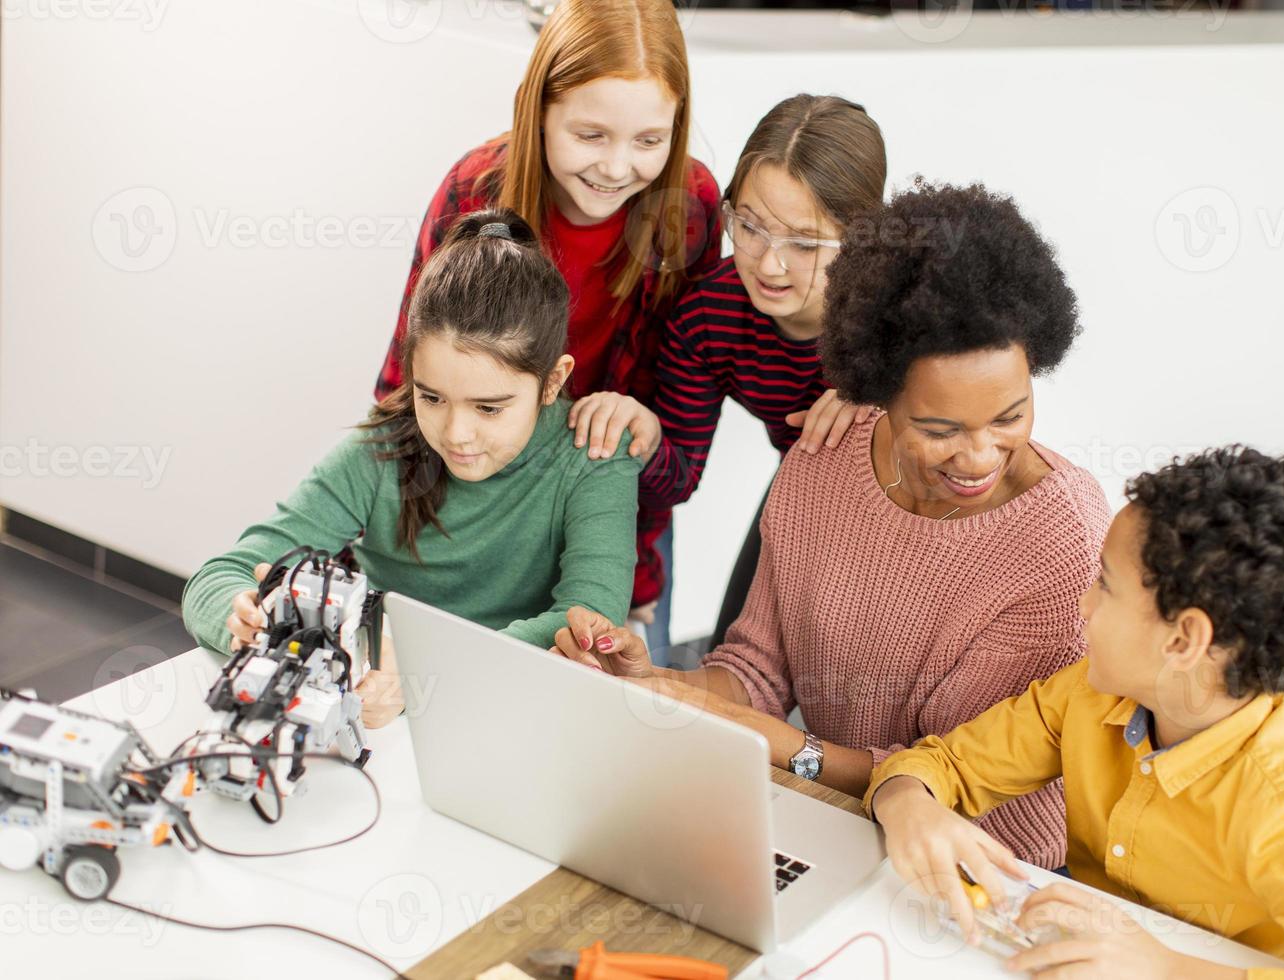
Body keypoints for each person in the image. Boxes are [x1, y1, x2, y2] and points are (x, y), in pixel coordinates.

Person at [551, 181, 1110, 871]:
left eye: (1009, 417)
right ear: (875, 390)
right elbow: (754, 673)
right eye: (939, 429)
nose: (980, 458)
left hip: (986, 863)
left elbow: (948, 781)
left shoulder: (1061, 545)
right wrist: (660, 684)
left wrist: (769, 741)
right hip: (837, 825)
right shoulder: (822, 459)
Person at [867, 447, 1284, 980]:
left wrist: (1164, 968)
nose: (1083, 603)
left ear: (1184, 639)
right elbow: (949, 765)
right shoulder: (1092, 693)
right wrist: (906, 802)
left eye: (1104, 586)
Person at [184, 210, 642, 727]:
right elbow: (216, 577)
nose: (455, 434)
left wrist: (425, 678)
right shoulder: (381, 450)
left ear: (553, 380)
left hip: (510, 713)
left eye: (489, 407)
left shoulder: (595, 456)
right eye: (432, 397)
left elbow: (586, 618)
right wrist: (241, 616)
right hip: (384, 708)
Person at [371, 0, 722, 640]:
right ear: (538, 111)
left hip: (611, 519)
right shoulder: (474, 193)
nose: (617, 168)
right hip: (473, 518)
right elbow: (405, 384)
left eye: (649, 141)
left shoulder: (690, 210)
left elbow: (679, 444)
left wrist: (634, 576)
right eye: (590, 135)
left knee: (635, 716)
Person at [564, 93, 887, 659]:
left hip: (916, 510)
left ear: (862, 239)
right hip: (802, 483)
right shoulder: (709, 313)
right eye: (751, 227)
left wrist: (879, 394)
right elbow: (680, 478)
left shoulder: (903, 308)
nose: (768, 263)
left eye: (805, 243)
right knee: (731, 655)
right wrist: (644, 435)